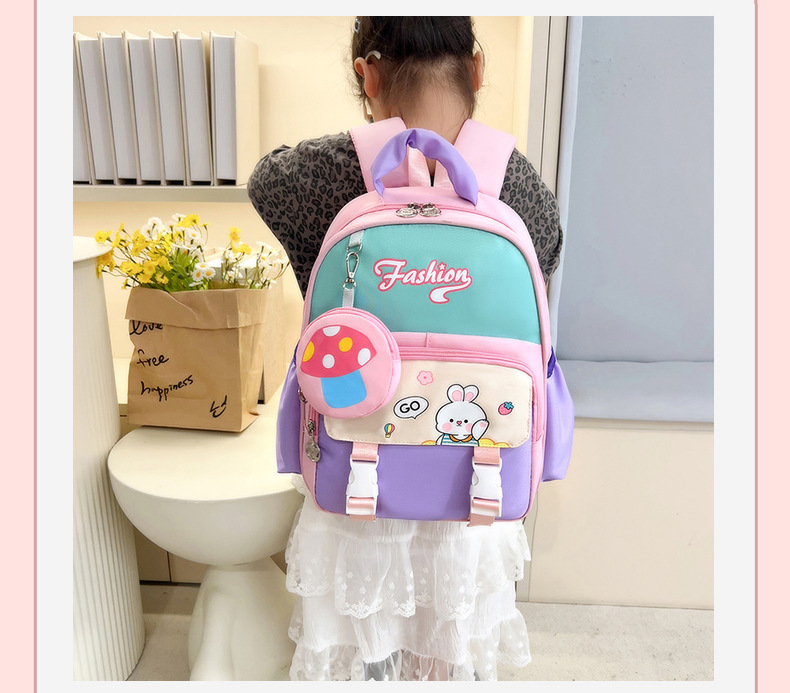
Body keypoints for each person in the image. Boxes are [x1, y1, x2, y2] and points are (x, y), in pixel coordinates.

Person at [247, 16, 563, 681]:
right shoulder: (522, 188)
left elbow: (261, 178)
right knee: (450, 655)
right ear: (476, 69)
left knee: (360, 654)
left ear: (367, 75)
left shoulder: (309, 178)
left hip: (355, 485)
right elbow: (547, 262)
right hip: (477, 493)